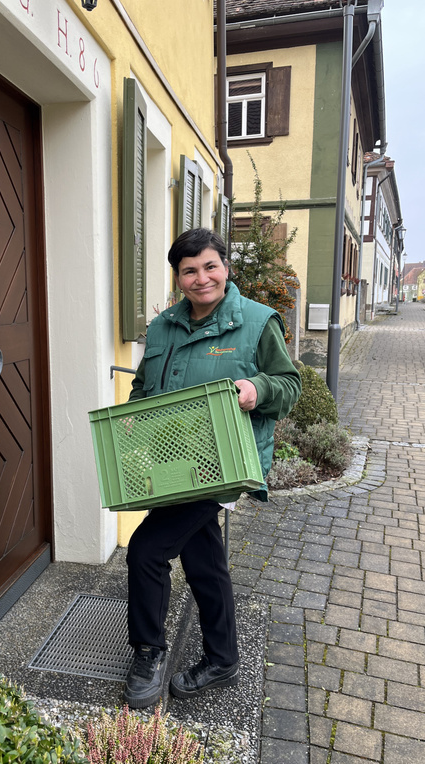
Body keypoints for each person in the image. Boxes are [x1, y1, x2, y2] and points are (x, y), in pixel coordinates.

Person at [123, 227, 301, 709]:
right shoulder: (162, 327)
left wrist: (256, 391)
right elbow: (144, 386)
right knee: (204, 561)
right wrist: (134, 423)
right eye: (189, 270)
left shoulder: (258, 322)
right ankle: (223, 658)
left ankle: (148, 652)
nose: (201, 278)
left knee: (145, 551)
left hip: (223, 464)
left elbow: (289, 385)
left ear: (226, 267)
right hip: (173, 463)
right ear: (178, 277)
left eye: (210, 266)